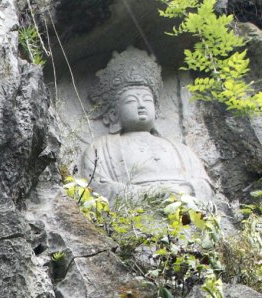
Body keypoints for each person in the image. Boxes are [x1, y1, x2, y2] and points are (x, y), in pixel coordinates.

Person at [76, 47, 216, 208]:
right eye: (131, 101)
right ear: (114, 113)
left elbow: (204, 184)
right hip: (136, 214)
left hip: (185, 207)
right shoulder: (101, 148)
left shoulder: (179, 149)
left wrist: (185, 190)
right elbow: (97, 186)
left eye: (147, 100)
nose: (141, 105)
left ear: (156, 109)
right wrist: (152, 194)